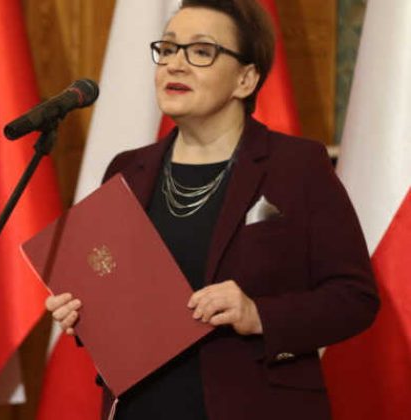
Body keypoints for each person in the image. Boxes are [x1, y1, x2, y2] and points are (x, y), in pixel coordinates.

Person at [45, 1, 378, 419]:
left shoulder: (296, 166)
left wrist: (258, 314)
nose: (175, 64)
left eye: (201, 51)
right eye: (168, 49)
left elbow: (354, 298)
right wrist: (83, 312)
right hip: (142, 406)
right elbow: (118, 293)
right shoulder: (127, 169)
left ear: (245, 79)